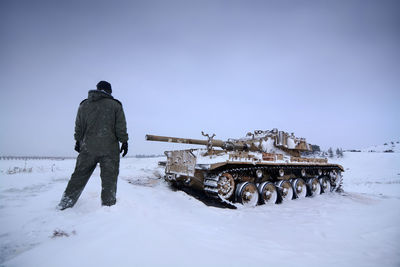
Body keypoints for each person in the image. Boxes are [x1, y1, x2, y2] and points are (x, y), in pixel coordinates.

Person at [58, 81, 129, 210]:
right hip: (109, 150)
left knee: (78, 176)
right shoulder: (115, 105)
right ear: (109, 91)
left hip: (88, 148)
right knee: (109, 180)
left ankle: (65, 203)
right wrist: (124, 141)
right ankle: (108, 207)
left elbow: (78, 126)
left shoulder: (84, 105)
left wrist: (78, 140)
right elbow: (120, 127)